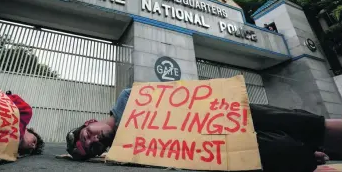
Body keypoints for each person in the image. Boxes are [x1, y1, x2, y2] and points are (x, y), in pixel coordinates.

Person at [66, 88, 342, 172]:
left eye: (87, 136)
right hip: (213, 146)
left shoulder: (127, 97)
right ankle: (312, 158)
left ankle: (319, 144)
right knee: (284, 152)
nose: (94, 141)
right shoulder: (123, 153)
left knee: (300, 123)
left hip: (220, 113)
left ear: (90, 122)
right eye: (92, 148)